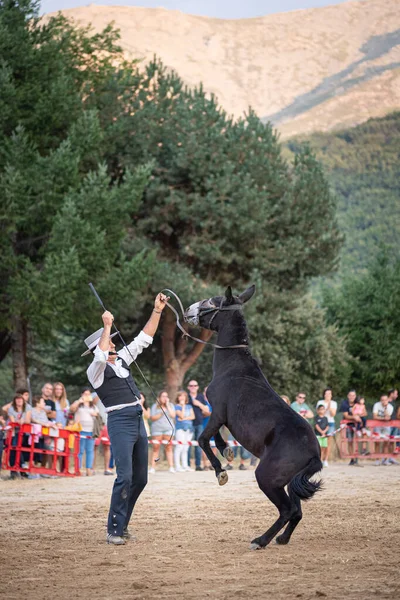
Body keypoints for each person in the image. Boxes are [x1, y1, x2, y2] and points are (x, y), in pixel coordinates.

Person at [84, 292, 168, 545]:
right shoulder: (94, 371)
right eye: (109, 341)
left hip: (137, 419)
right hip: (119, 422)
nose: (113, 343)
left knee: (140, 478)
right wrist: (106, 325)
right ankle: (113, 529)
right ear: (100, 345)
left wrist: (157, 311)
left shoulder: (121, 360)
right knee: (125, 477)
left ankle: (123, 523)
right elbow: (100, 356)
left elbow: (144, 338)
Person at [70, 389, 99, 476]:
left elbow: (97, 413)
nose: (87, 396)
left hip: (91, 431)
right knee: (80, 450)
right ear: (82, 394)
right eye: (85, 394)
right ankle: (78, 469)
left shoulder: (93, 405)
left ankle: (88, 469)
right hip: (80, 430)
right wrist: (79, 401)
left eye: (88, 394)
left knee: (90, 451)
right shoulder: (79, 404)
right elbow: (71, 409)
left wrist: (94, 414)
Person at [187, 380, 211, 471]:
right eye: (191, 385)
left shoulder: (201, 397)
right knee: (188, 445)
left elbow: (207, 410)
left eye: (195, 385)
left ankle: (198, 465)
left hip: (199, 423)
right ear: (188, 387)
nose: (193, 387)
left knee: (199, 445)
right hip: (189, 424)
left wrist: (198, 404)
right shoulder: (186, 397)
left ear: (197, 387)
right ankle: (188, 465)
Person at [149, 391, 175, 473]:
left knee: (169, 448)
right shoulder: (155, 406)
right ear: (159, 397)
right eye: (163, 396)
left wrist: (167, 406)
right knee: (155, 449)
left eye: (166, 396)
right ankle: (153, 467)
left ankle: (171, 467)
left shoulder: (170, 405)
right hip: (157, 430)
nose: (165, 398)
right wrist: (161, 412)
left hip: (168, 429)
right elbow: (152, 418)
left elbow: (173, 415)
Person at [7, 393, 32, 476]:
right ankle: (16, 469)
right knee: (13, 447)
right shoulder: (11, 409)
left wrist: (23, 421)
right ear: (14, 401)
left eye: (20, 399)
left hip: (24, 432)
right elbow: (12, 421)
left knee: (18, 447)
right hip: (14, 432)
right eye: (17, 399)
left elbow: (28, 420)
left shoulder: (27, 407)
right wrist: (18, 421)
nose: (19, 400)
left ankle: (21, 469)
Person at [372, 394, 397, 466]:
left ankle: (385, 460)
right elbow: (375, 416)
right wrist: (383, 419)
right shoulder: (376, 405)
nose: (383, 401)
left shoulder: (390, 407)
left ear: (388, 400)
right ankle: (377, 459)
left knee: (386, 442)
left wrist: (385, 408)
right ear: (380, 400)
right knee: (377, 442)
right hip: (377, 425)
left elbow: (388, 417)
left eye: (385, 400)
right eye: (382, 400)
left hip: (386, 426)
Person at [174, 390, 195, 472]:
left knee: (186, 448)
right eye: (180, 396)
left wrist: (184, 418)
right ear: (178, 397)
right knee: (179, 447)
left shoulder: (189, 406)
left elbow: (193, 417)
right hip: (180, 429)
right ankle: (177, 466)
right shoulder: (177, 407)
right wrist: (183, 406)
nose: (182, 397)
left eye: (184, 396)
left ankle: (185, 465)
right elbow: (181, 415)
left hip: (189, 428)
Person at [340, 390, 362, 466]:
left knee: (357, 441)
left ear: (355, 396)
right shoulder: (345, 404)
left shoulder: (358, 403)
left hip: (358, 425)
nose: (352, 397)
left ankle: (356, 458)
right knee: (350, 441)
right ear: (348, 396)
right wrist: (354, 417)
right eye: (350, 395)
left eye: (353, 395)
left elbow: (363, 412)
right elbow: (346, 415)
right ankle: (352, 458)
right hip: (348, 425)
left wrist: (359, 417)